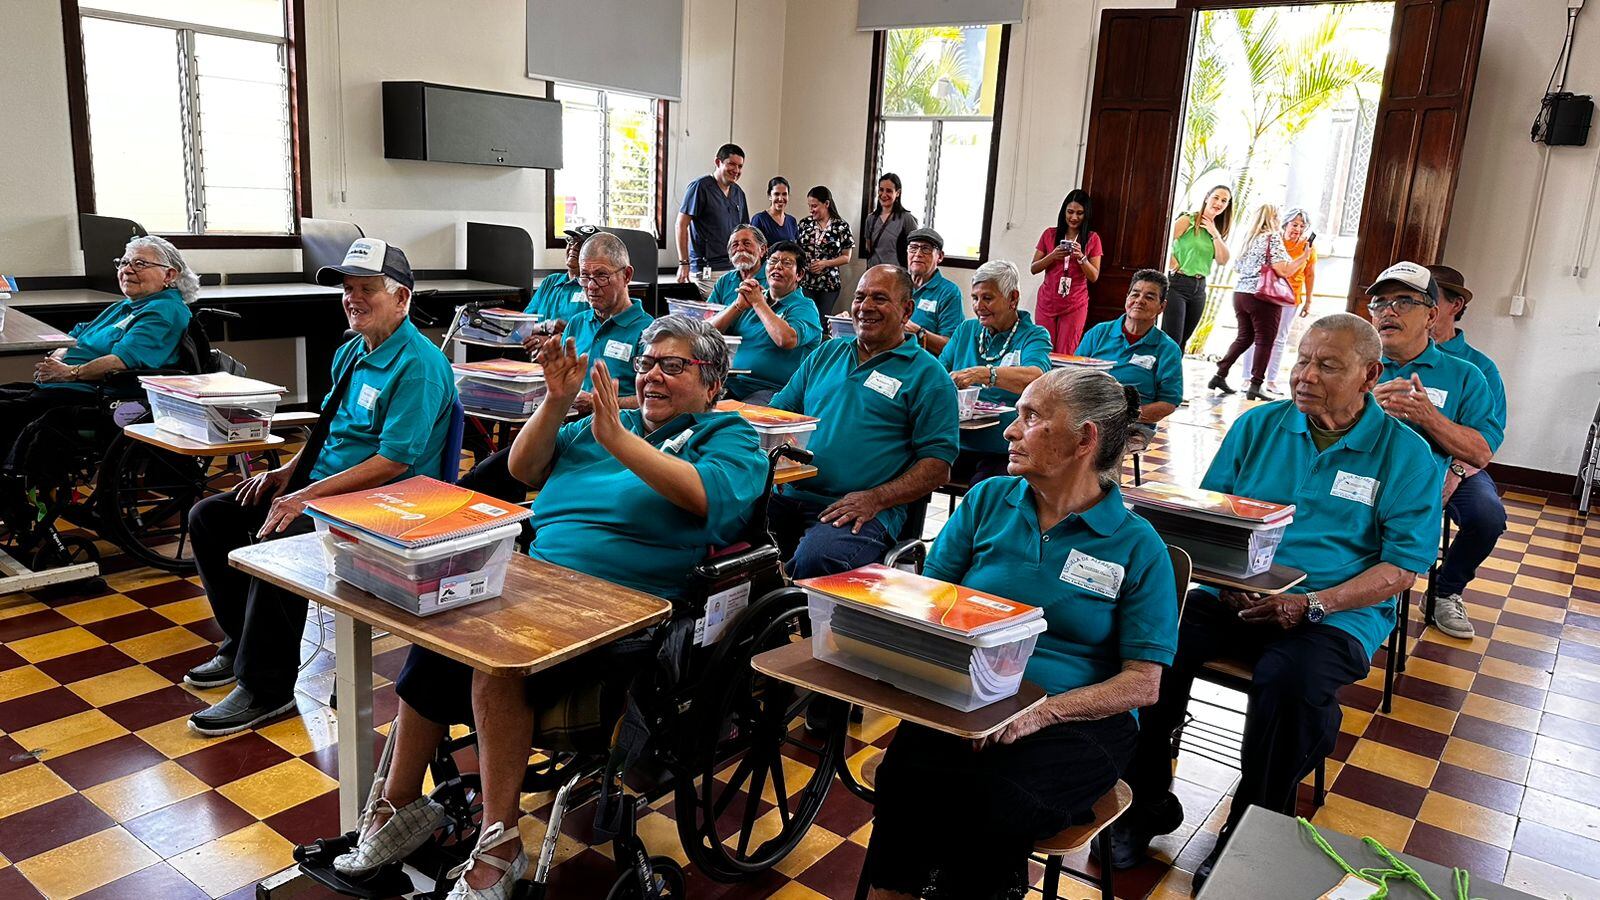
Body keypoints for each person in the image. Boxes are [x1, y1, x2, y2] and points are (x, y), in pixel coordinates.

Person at [329, 317, 766, 900]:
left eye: (673, 365)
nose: (652, 374)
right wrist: (558, 401)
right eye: (646, 362)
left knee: (495, 657)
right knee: (440, 631)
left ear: (712, 383)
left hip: (625, 612)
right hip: (536, 581)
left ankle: (501, 845)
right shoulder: (603, 423)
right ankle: (401, 807)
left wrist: (620, 441)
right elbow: (522, 470)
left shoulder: (727, 434)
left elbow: (707, 498)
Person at [1116, 314, 1442, 890]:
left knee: (1288, 682)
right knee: (1150, 646)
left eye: (1328, 365)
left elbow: (1404, 567)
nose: (1306, 376)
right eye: (1302, 361)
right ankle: (1146, 801)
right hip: (1236, 594)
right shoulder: (1259, 427)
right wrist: (1224, 573)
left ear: (1370, 375)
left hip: (1338, 611)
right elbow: (1207, 517)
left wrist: (1315, 604)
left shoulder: (1406, 455)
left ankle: (1250, 830)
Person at [862, 367, 1177, 900]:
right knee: (906, 783)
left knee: (994, 801)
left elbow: (1143, 685)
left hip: (1080, 714)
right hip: (973, 696)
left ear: (1085, 438)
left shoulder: (1137, 545)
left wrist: (1043, 711)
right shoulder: (988, 502)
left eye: (1030, 417)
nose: (1009, 428)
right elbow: (932, 602)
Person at [185, 239, 458, 735]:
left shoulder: (418, 366)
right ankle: (243, 640)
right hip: (325, 486)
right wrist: (286, 476)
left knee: (281, 544)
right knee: (212, 517)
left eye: (366, 289)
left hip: (384, 501)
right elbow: (329, 428)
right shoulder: (353, 350)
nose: (353, 298)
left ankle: (266, 687)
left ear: (401, 298)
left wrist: (305, 497)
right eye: (348, 289)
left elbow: (394, 460)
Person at [768, 265, 959, 578]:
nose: (865, 307)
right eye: (860, 297)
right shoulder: (826, 353)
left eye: (880, 298)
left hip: (863, 509)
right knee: (724, 534)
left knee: (816, 558)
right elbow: (778, 416)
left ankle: (793, 620)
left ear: (907, 310)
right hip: (788, 495)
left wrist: (876, 498)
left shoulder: (929, 376)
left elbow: (938, 466)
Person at [1370, 262, 1501, 640]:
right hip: (1365, 475)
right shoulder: (1358, 361)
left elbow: (1482, 449)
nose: (1389, 311)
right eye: (1380, 303)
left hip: (1449, 467)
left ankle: (1445, 591)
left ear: (1433, 314)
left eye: (1403, 302)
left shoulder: (1471, 371)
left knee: (1486, 515)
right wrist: (1364, 410)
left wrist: (1430, 418)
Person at [1423, 264, 1508, 641]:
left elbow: (1489, 435)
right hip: (1391, 466)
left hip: (1457, 467)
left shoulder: (1479, 367)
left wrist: (1456, 471)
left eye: (1429, 299)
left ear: (1455, 305)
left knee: (1487, 516)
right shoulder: (1386, 356)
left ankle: (1445, 590)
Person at [936, 260, 1051, 485]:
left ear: (1013, 298)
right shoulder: (967, 330)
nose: (979, 305)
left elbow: (1037, 377)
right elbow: (938, 373)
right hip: (956, 441)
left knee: (986, 491)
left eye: (987, 298)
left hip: (1004, 447)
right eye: (975, 298)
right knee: (908, 472)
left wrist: (983, 374)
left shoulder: (1034, 335)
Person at [1209, 204, 1308, 400]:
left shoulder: (1248, 239)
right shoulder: (1272, 238)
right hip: (1263, 296)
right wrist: (1303, 257)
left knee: (1244, 337)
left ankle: (1219, 375)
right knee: (1265, 340)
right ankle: (1256, 384)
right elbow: (1284, 270)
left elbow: (1237, 266)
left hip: (1240, 294)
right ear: (1274, 218)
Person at [1075, 269, 1184, 446]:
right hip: (1088, 415)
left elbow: (1169, 402)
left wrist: (1123, 416)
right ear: (1127, 298)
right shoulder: (1099, 333)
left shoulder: (1167, 349)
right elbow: (1073, 374)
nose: (1139, 301)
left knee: (1094, 447)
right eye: (1135, 294)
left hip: (1134, 424)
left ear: (1161, 306)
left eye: (1149, 297)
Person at [710, 240, 823, 403]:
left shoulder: (805, 307)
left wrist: (758, 303)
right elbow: (707, 333)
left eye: (786, 263)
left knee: (735, 422)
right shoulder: (753, 299)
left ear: (799, 274)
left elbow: (786, 339)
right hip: (731, 384)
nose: (778, 267)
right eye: (773, 261)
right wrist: (738, 306)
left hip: (774, 391)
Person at [560, 233, 655, 417]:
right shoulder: (577, 323)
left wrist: (597, 402)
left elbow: (654, 398)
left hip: (617, 431)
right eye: (585, 276)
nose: (591, 286)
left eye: (601, 276)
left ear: (626, 275)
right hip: (569, 428)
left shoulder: (649, 332)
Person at [1241, 208, 1318, 395]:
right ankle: (1247, 378)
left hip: (1291, 297)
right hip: (1268, 293)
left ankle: (1271, 380)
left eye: (1302, 226)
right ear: (1285, 224)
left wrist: (1308, 301)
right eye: (1294, 224)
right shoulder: (1274, 241)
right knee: (1257, 335)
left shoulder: (1308, 248)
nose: (1297, 229)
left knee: (1280, 338)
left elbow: (1310, 275)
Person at [1030, 189, 1103, 353]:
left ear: (1086, 215)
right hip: (1047, 302)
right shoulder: (1049, 234)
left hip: (1074, 305)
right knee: (1043, 349)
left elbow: (1094, 276)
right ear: (1064, 212)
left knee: (1066, 353)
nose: (1074, 217)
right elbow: (1034, 268)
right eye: (1070, 212)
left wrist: (1081, 258)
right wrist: (1052, 256)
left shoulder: (1092, 238)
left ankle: (1062, 381)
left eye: (1079, 213)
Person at [1162, 184, 1233, 348]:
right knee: (1172, 340)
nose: (1219, 203)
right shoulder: (1189, 219)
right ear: (1207, 197)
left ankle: (1174, 374)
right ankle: (1161, 373)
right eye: (1216, 197)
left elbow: (1223, 260)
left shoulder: (1217, 230)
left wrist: (1215, 233)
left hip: (1199, 288)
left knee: (1182, 343)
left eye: (1224, 201)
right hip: (1177, 285)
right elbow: (1164, 240)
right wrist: (1173, 263)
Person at [676, 143, 749, 296]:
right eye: (731, 164)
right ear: (718, 162)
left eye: (740, 166)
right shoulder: (700, 187)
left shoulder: (738, 193)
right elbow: (681, 225)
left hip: (733, 268)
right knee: (714, 316)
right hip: (706, 270)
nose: (736, 170)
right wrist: (683, 263)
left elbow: (745, 231)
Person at [520, 225, 598, 332]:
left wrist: (565, 332)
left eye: (582, 244)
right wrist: (545, 327)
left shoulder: (594, 287)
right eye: (571, 241)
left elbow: (593, 332)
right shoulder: (550, 281)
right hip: (538, 346)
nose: (574, 247)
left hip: (572, 347)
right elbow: (522, 326)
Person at [903, 228, 965, 355]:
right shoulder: (897, 283)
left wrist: (918, 332)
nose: (918, 254)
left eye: (926, 249)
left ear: (940, 256)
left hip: (924, 365)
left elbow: (952, 347)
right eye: (913, 248)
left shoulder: (949, 293)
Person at [796, 185, 854, 318]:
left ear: (826, 204)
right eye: (809, 206)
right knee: (807, 317)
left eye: (814, 206)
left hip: (829, 284)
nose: (811, 210)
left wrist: (824, 263)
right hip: (806, 282)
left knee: (823, 320)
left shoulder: (841, 226)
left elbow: (846, 257)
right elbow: (796, 251)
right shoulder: (804, 224)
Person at [860, 172, 919, 268]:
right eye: (881, 190)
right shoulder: (871, 219)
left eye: (889, 191)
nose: (884, 194)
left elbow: (915, 248)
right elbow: (869, 247)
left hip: (898, 274)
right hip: (874, 272)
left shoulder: (907, 219)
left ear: (898, 193)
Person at [705, 224, 769, 309]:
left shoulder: (773, 278)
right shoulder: (724, 280)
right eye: (735, 245)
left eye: (747, 243)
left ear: (762, 249)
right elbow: (708, 313)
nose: (740, 248)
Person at [751, 175, 799, 246]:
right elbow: (754, 248)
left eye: (784, 194)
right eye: (776, 194)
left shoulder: (792, 221)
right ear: (769, 196)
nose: (780, 198)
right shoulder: (759, 220)